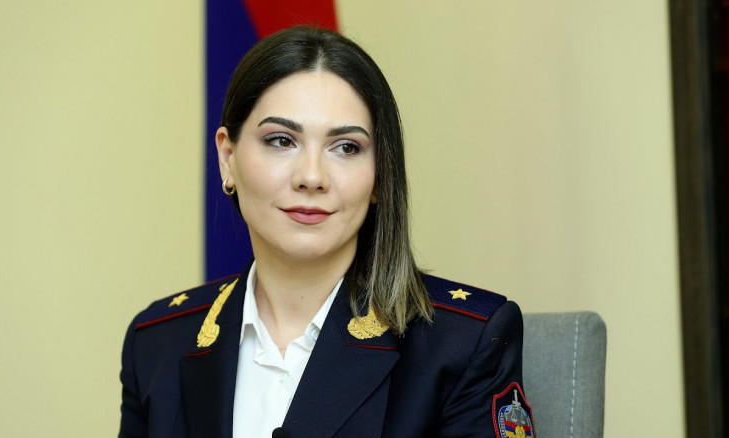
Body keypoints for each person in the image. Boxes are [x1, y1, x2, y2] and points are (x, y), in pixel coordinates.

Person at [119, 26, 534, 438]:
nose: (312, 177)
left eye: (346, 147)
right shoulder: (156, 343)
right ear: (228, 158)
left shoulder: (463, 341)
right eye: (281, 140)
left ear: (380, 175)